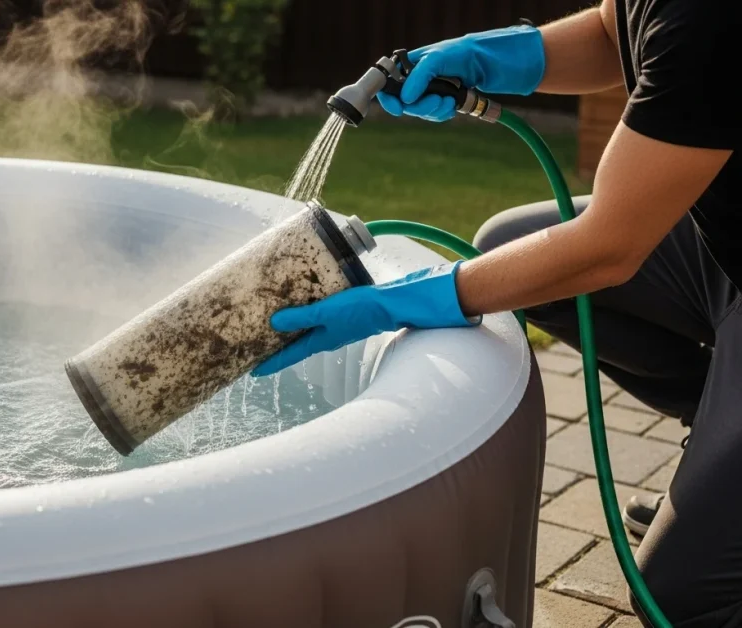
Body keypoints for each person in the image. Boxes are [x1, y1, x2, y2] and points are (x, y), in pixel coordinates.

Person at [251, 0, 739, 625]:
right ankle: (719, 433)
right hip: (720, 252)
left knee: (682, 594)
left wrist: (409, 301)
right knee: (509, 249)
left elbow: (608, 248)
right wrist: (489, 56)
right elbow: (610, 31)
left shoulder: (714, 20)